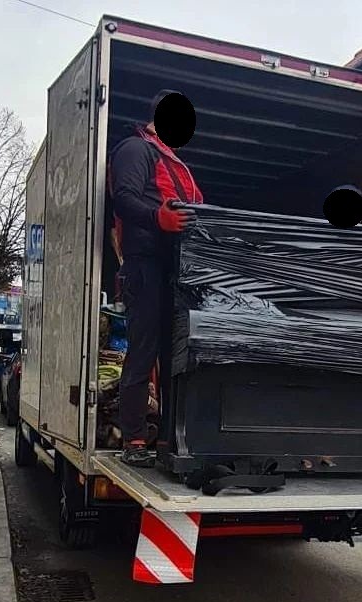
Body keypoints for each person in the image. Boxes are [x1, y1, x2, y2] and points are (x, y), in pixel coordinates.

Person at [109, 89, 203, 467]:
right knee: (144, 351)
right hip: (145, 264)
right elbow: (124, 199)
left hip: (176, 270)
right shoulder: (136, 150)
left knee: (175, 354)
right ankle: (133, 438)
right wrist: (157, 219)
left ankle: (168, 437)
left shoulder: (176, 163)